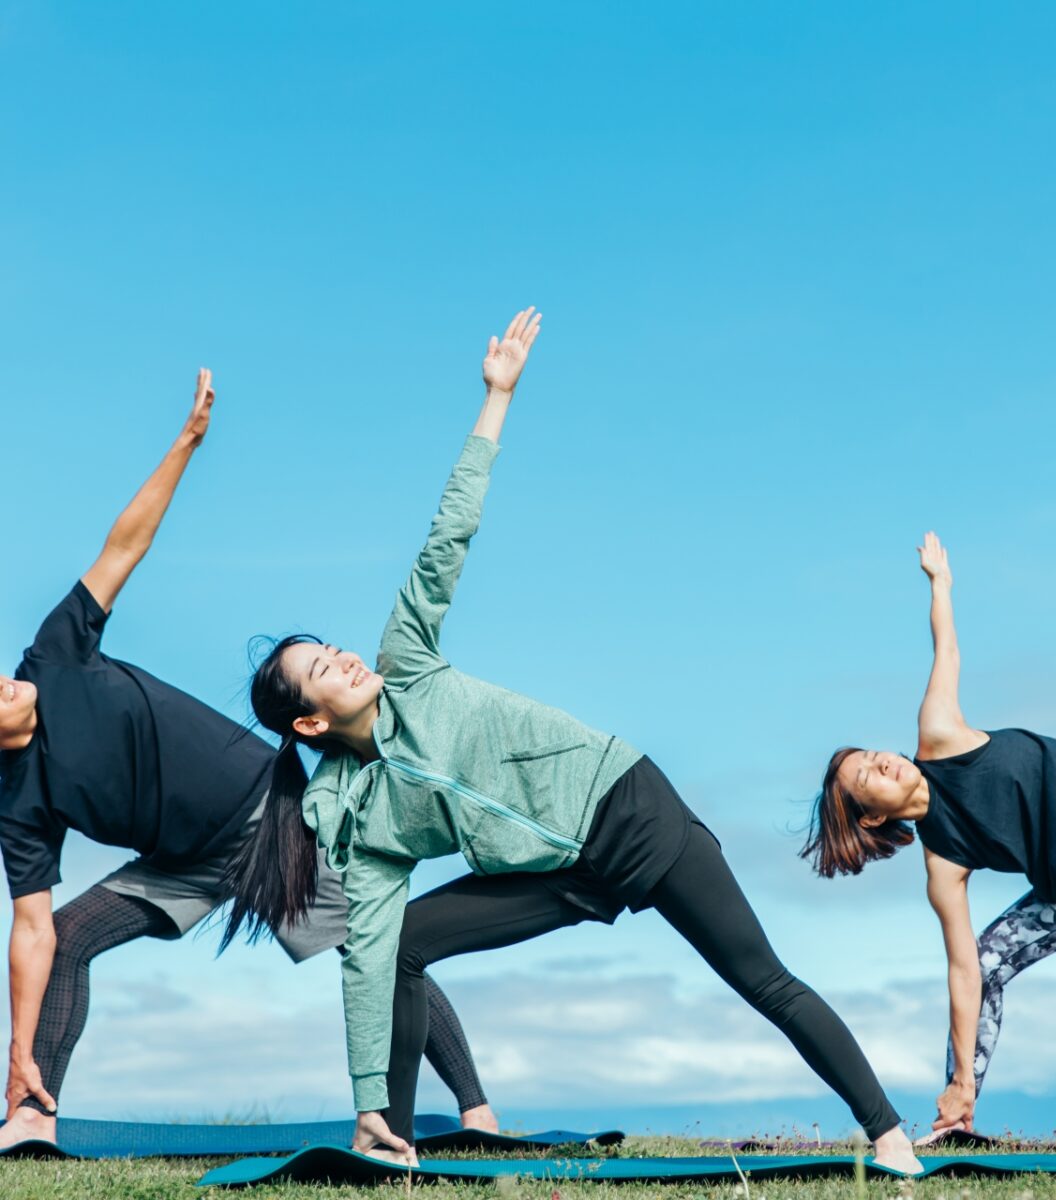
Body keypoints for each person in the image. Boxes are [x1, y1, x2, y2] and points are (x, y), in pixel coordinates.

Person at [223, 308, 923, 1174]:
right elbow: (365, 947)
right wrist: (367, 1099)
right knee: (401, 944)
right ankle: (391, 1145)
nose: (348, 660)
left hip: (628, 806)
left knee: (760, 977)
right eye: (323, 670)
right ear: (310, 722)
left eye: (335, 649)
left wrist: (496, 400)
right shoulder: (354, 812)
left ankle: (890, 1136)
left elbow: (447, 540)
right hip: (560, 875)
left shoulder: (408, 662)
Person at [0, 370, 496, 1149]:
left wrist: (188, 441)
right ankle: (32, 1116)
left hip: (265, 816)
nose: (4, 681)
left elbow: (124, 544)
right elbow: (30, 932)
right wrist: (17, 1046)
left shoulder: (53, 654)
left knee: (372, 948)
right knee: (69, 934)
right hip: (182, 859)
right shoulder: (18, 800)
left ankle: (476, 1111)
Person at [805, 531, 1056, 1139]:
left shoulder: (937, 734)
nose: (883, 762)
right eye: (866, 776)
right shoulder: (942, 861)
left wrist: (941, 585)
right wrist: (960, 1074)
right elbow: (964, 970)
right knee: (989, 957)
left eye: (875, 754)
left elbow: (948, 651)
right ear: (871, 817)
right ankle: (958, 1114)